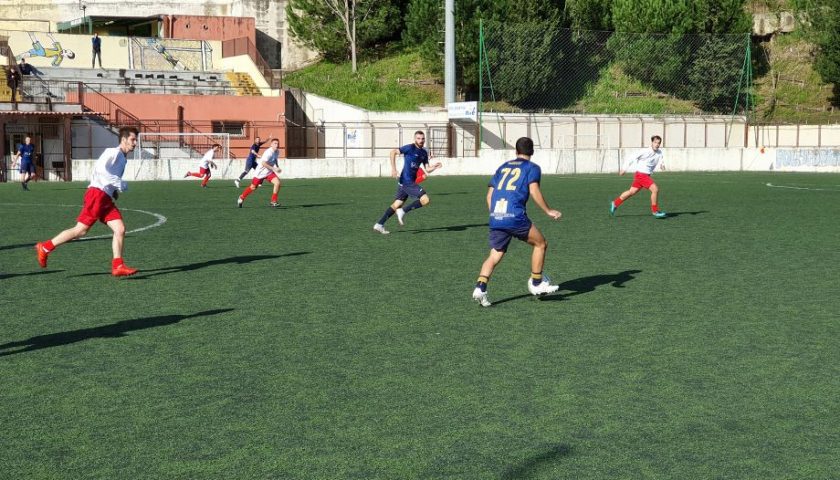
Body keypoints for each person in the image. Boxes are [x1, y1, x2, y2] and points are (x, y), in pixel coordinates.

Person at [35, 127, 140, 277]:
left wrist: (114, 190)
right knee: (80, 230)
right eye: (132, 139)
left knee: (120, 229)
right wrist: (118, 183)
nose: (135, 143)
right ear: (123, 139)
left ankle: (118, 266)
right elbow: (100, 170)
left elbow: (108, 175)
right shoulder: (113, 152)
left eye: (136, 140)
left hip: (105, 198)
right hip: (96, 195)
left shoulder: (123, 158)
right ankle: (45, 247)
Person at [472, 137, 562, 307]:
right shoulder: (532, 168)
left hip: (496, 216)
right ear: (532, 151)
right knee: (540, 244)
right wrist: (548, 210)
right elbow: (534, 190)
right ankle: (536, 282)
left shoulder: (503, 167)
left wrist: (496, 214)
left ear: (515, 151)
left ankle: (480, 287)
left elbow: (489, 195)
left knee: (495, 254)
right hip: (515, 216)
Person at [372, 131, 442, 234]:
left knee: (397, 204)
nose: (421, 140)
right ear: (415, 139)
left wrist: (435, 167)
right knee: (425, 200)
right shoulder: (409, 148)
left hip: (407, 182)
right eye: (418, 138)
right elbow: (393, 152)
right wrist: (394, 169)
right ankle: (403, 211)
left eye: (422, 139)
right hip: (406, 181)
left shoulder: (424, 153)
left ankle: (379, 224)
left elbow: (427, 169)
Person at [610, 135, 667, 218]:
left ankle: (615, 203)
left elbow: (661, 160)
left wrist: (662, 165)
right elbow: (631, 158)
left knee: (631, 192)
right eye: (655, 142)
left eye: (658, 143)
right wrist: (624, 168)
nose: (657, 144)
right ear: (651, 142)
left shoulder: (659, 152)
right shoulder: (645, 151)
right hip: (641, 175)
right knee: (655, 189)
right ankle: (655, 211)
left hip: (644, 175)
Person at [237, 139, 282, 208]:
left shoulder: (277, 151)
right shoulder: (268, 152)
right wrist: (274, 169)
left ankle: (273, 201)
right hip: (260, 173)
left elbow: (275, 159)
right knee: (253, 187)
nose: (277, 145)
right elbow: (263, 163)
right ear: (271, 144)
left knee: (277, 183)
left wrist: (277, 166)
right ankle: (241, 197)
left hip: (269, 172)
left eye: (278, 143)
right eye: (275, 143)